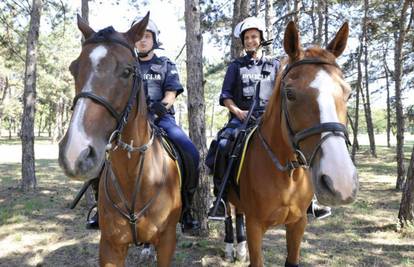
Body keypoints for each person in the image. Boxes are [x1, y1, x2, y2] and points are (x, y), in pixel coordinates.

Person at [206, 17, 331, 221]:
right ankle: (220, 199)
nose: (250, 41)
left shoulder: (274, 66)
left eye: (254, 36)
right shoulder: (235, 66)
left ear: (261, 39)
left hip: (269, 119)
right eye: (246, 37)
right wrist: (237, 111)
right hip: (242, 118)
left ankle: (311, 200)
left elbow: (283, 94)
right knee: (222, 144)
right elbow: (226, 96)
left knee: (300, 143)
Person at [87, 17, 200, 233]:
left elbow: (171, 94)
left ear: (154, 40)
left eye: (147, 37)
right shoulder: (125, 65)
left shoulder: (165, 64)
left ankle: (187, 209)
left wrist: (159, 110)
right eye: (139, 37)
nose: (142, 41)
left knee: (190, 151)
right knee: (99, 152)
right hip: (127, 123)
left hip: (161, 119)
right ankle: (99, 206)